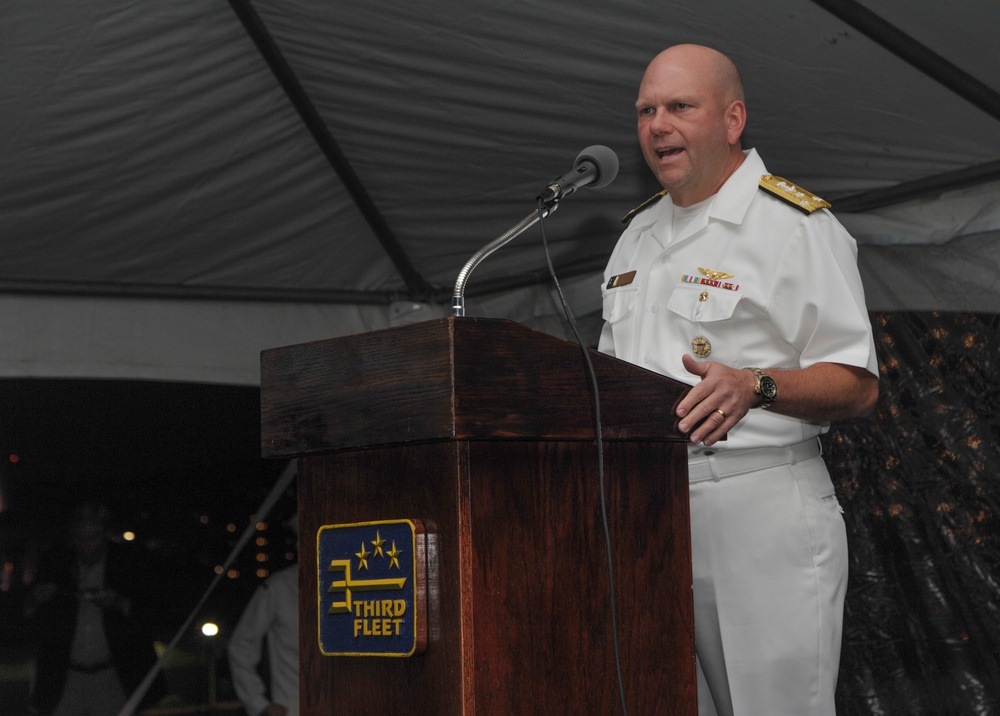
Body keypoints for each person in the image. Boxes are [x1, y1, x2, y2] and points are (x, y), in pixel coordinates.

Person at [598, 44, 879, 715]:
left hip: (759, 505)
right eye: (646, 110)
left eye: (679, 107)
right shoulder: (634, 236)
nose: (657, 124)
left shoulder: (793, 226)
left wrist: (758, 386)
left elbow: (859, 384)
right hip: (649, 513)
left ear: (732, 120)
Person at [25, 501, 167, 716]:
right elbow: (28, 619)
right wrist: (37, 598)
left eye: (93, 538)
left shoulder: (128, 563)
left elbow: (157, 613)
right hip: (65, 679)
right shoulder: (57, 563)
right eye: (80, 539)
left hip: (112, 679)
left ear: (107, 535)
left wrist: (119, 603)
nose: (86, 545)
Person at [227, 562, 299, 716]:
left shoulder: (354, 580)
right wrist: (258, 702)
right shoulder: (281, 586)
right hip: (293, 706)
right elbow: (242, 644)